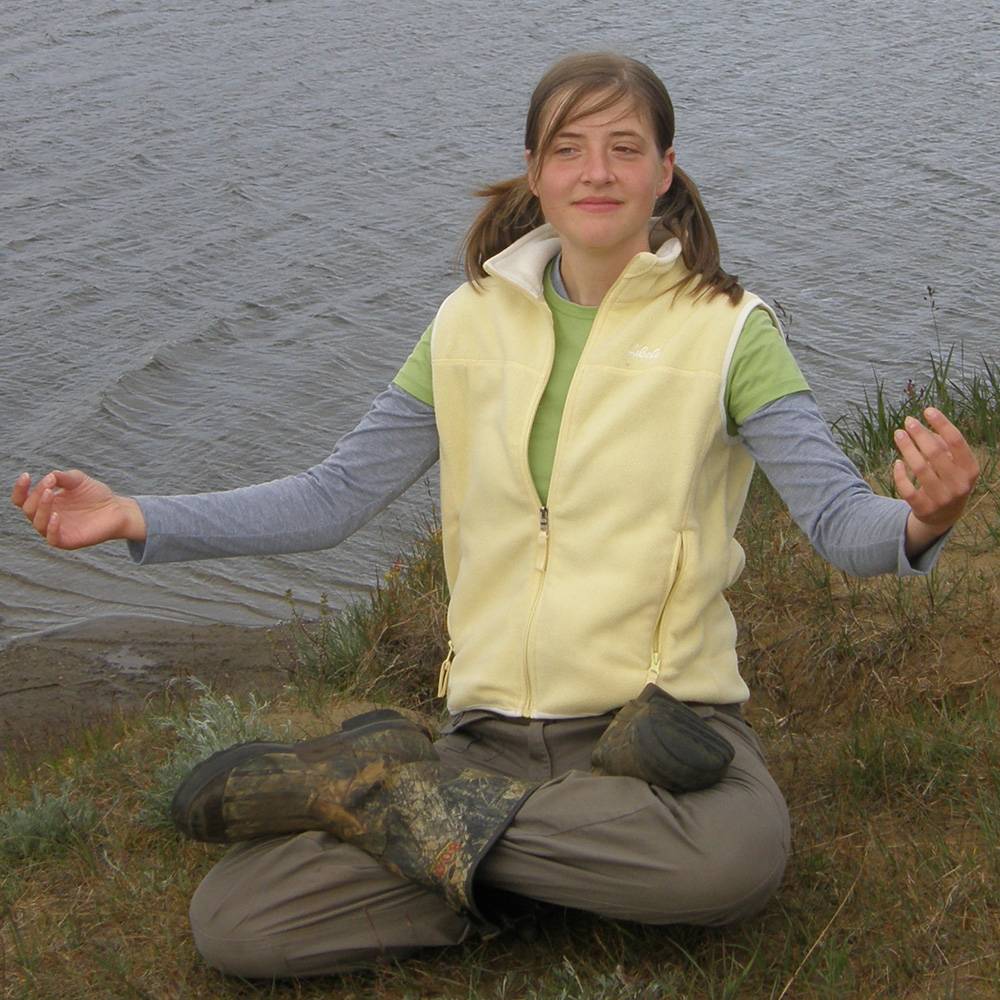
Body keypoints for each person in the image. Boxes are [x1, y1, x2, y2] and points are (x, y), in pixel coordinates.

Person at [11, 53, 979, 980]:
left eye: (624, 148)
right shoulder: (465, 324)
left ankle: (418, 819)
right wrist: (136, 515)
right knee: (237, 920)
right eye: (568, 149)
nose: (596, 172)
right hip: (487, 738)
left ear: (664, 171)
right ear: (534, 171)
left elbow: (836, 519)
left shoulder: (730, 331)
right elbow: (333, 497)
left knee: (734, 858)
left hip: (656, 735)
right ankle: (527, 854)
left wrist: (917, 523)